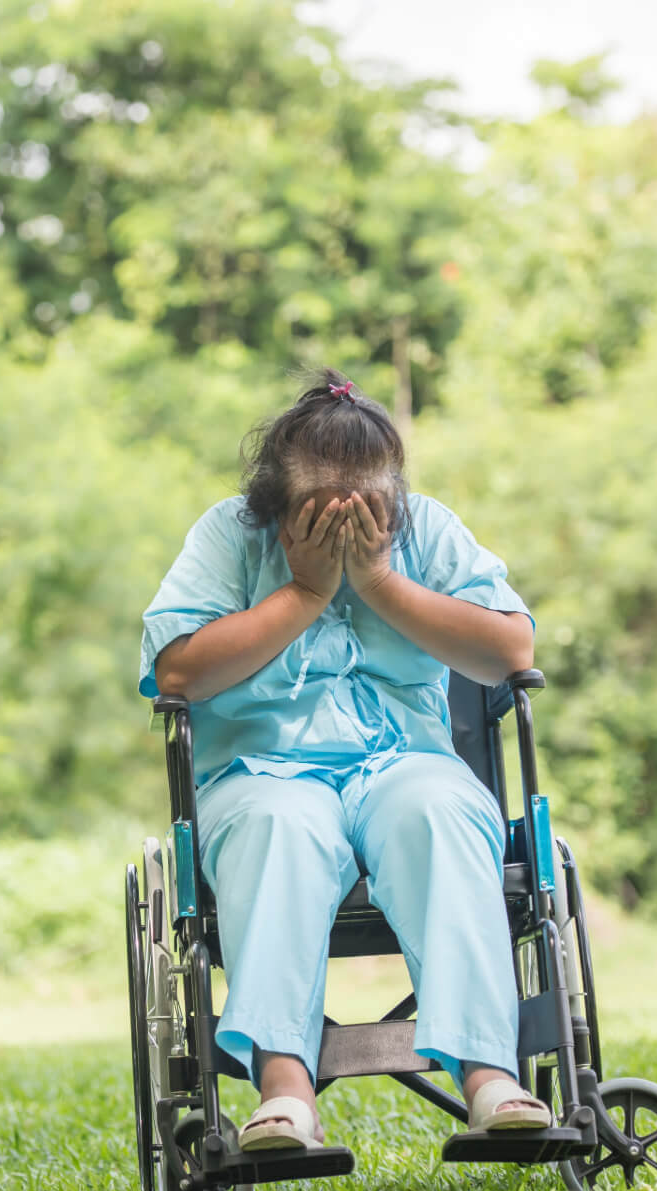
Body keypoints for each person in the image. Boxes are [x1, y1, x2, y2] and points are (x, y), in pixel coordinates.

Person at [136, 369, 551, 1151]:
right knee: (279, 824)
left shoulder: (427, 529)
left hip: (404, 763)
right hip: (262, 773)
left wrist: (380, 580)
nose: (348, 525)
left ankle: (490, 1075)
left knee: (438, 811)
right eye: (322, 514)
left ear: (391, 499)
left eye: (367, 512)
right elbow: (178, 672)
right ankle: (286, 1090)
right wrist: (304, 592)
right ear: (275, 506)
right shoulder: (230, 536)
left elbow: (511, 650)